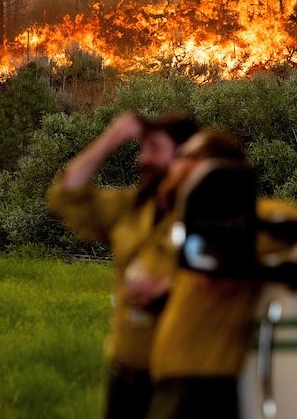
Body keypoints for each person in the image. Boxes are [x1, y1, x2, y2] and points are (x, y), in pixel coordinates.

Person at [142, 128, 297, 419]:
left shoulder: (247, 216)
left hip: (202, 385)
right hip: (176, 381)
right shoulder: (200, 221)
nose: (175, 162)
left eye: (186, 155)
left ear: (211, 165)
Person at [46, 110, 199, 419]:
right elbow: (65, 197)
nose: (143, 159)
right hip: (127, 377)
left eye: (155, 148)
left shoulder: (208, 213)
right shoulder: (130, 208)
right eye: (142, 149)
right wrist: (111, 138)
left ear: (184, 155)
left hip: (181, 382)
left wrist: (169, 289)